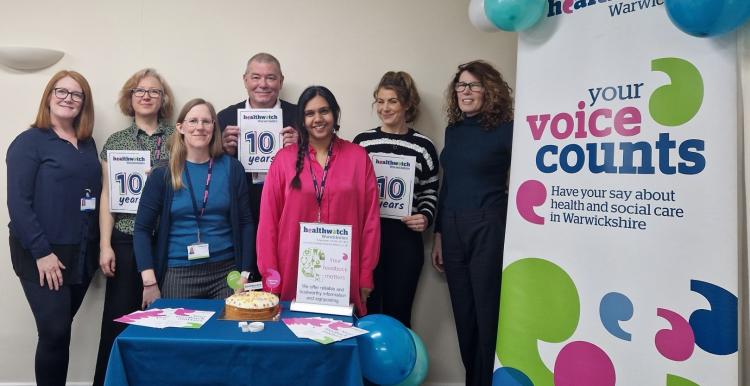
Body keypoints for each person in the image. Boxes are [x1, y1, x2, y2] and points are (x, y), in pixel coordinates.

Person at [6, 70, 99, 386]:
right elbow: (18, 204)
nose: (68, 98)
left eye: (76, 94)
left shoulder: (87, 144)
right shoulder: (29, 142)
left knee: (61, 332)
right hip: (42, 253)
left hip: (82, 253)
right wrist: (41, 253)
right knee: (54, 331)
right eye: (61, 91)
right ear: (48, 96)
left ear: (83, 104)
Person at [257, 86, 380, 316]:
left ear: (334, 114)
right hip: (291, 273)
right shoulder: (284, 160)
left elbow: (370, 222)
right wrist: (271, 277)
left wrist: (365, 274)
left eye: (324, 111)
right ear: (302, 120)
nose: (318, 119)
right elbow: (268, 224)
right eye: (310, 113)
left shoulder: (358, 157)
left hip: (343, 274)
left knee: (339, 344)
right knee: (294, 345)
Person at [430, 60, 514, 386]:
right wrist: (438, 234)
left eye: (472, 85)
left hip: (487, 225)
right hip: (451, 228)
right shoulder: (454, 131)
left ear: (488, 90)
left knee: (487, 314)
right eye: (460, 86)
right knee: (464, 315)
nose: (465, 92)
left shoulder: (507, 129)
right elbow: (447, 185)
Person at [93, 68, 175, 386]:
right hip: (125, 241)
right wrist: (105, 245)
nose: (145, 96)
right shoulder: (116, 141)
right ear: (130, 97)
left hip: (165, 242)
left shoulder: (175, 139)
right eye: (139, 91)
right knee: (117, 323)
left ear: (162, 99)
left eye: (153, 91)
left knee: (164, 322)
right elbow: (107, 196)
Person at [134, 98, 255, 307]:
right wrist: (149, 282)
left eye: (206, 122)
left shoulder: (232, 168)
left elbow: (246, 223)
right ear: (180, 127)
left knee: (225, 337)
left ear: (214, 127)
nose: (200, 127)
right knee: (179, 339)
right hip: (178, 273)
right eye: (193, 121)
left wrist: (245, 273)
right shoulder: (163, 173)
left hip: (226, 274)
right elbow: (142, 229)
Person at [352, 71, 439, 327]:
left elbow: (431, 191)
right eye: (380, 101)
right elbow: (351, 189)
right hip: (368, 239)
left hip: (404, 240)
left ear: (407, 104)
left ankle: (400, 365)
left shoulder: (424, 146)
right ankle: (363, 368)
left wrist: (425, 216)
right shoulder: (362, 143)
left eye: (392, 101)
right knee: (364, 312)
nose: (384, 108)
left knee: (399, 314)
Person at [218, 53, 299, 266]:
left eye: (271, 78)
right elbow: (209, 166)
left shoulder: (300, 116)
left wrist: (302, 146)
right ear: (245, 80)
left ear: (281, 81)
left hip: (287, 209)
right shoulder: (225, 117)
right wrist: (222, 149)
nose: (263, 84)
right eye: (256, 77)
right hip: (241, 209)